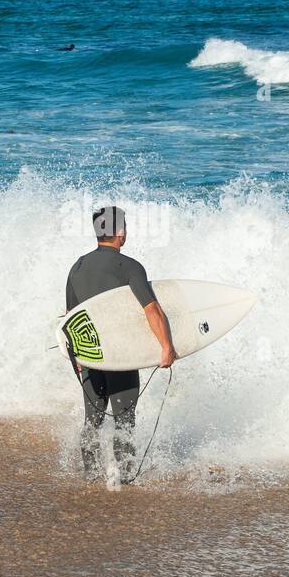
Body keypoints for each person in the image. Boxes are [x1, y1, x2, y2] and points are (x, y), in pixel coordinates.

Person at [65, 205, 176, 482]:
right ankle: (124, 478)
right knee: (124, 420)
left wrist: (76, 360)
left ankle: (91, 477)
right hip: (120, 354)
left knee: (92, 420)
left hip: (90, 355)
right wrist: (166, 347)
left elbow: (70, 319)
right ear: (121, 233)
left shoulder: (77, 267)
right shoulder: (129, 266)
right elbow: (151, 308)